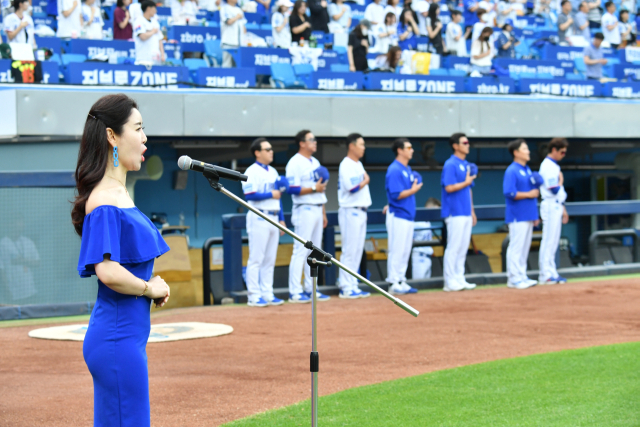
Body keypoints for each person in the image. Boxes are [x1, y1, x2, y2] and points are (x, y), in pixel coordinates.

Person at [73, 94, 171, 426]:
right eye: (138, 128)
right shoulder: (104, 200)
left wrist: (149, 288)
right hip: (116, 340)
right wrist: (148, 288)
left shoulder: (118, 195)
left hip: (123, 339)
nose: (144, 138)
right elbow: (108, 271)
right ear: (112, 136)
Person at [286, 130, 331, 303]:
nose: (315, 142)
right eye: (311, 139)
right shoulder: (295, 162)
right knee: (301, 250)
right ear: (302, 143)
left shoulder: (315, 162)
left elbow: (321, 189)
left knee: (315, 251)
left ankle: (311, 288)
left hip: (317, 207)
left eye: (315, 139)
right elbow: (291, 188)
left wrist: (324, 212)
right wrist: (313, 189)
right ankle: (295, 291)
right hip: (303, 208)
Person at [242, 138, 287, 307]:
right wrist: (271, 194)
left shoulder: (274, 172)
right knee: (256, 258)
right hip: (258, 215)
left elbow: (279, 198)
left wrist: (282, 219)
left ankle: (267, 292)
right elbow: (249, 195)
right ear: (257, 152)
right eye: (267, 149)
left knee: (270, 258)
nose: (271, 152)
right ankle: (254, 295)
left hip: (274, 216)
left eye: (271, 149)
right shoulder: (251, 171)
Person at [385, 138, 422, 295]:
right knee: (397, 249)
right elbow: (395, 194)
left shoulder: (407, 168)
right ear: (399, 150)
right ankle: (394, 282)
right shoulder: (394, 169)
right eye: (408, 147)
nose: (411, 150)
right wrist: (414, 190)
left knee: (406, 250)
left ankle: (401, 279)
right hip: (398, 215)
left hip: (407, 215)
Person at [441, 133, 477, 292]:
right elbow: (449, 187)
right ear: (455, 145)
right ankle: (449, 281)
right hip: (454, 212)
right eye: (464, 142)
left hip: (465, 211)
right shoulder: (450, 164)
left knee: (463, 247)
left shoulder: (466, 164)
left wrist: (472, 211)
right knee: (454, 246)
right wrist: (466, 182)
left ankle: (459, 277)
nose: (468, 145)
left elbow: (469, 189)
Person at [337, 133, 372, 299]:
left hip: (360, 210)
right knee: (350, 250)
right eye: (361, 144)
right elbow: (352, 188)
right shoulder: (346, 164)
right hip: (350, 210)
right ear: (352, 146)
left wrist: (364, 180)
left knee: (358, 250)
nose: (363, 148)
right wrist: (365, 181)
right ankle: (345, 286)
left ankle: (352, 284)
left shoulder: (357, 164)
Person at [503, 139, 539, 290]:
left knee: (525, 247)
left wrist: (535, 215)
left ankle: (522, 275)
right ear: (516, 152)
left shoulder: (527, 169)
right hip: (517, 214)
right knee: (516, 246)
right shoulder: (512, 170)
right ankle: (513, 278)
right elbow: (509, 192)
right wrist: (529, 194)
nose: (528, 151)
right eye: (524, 149)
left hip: (528, 214)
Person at [538, 138, 569, 286]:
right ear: (554, 150)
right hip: (550, 204)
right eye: (562, 151)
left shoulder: (553, 165)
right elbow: (554, 188)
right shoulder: (548, 165)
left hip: (556, 204)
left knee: (554, 240)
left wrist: (563, 208)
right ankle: (545, 273)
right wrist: (561, 181)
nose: (563, 154)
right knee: (549, 240)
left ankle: (551, 272)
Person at [0, 214, 40, 304]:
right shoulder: (3, 244)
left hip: (30, 291)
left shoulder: (28, 242)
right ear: (10, 225)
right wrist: (7, 291)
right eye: (16, 223)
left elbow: (37, 262)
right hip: (13, 294)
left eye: (21, 223)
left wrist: (23, 261)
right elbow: (1, 271)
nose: (19, 226)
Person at [411, 198, 440, 280]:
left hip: (427, 257)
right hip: (418, 256)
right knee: (418, 284)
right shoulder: (417, 221)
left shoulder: (428, 222)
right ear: (429, 208)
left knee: (426, 288)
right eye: (435, 210)